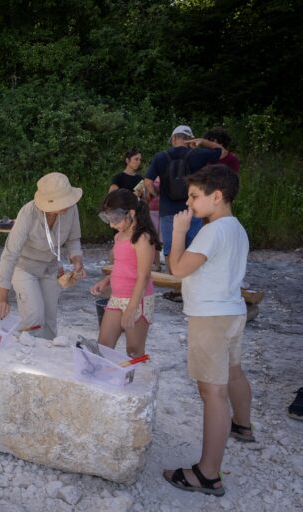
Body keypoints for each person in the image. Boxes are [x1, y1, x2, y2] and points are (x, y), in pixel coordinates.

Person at [162, 165, 253, 496]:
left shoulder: (211, 231)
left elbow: (177, 269)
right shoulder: (236, 228)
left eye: (194, 196)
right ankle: (242, 425)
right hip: (232, 311)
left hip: (210, 317)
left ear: (217, 196)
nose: (188, 203)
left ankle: (208, 474)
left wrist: (177, 232)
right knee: (233, 371)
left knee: (212, 393)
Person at [0, 173, 85, 340]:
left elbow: (73, 240)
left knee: (49, 320)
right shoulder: (28, 213)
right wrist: (2, 296)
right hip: (25, 267)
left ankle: (48, 353)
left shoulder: (72, 209)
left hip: (51, 268)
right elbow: (10, 253)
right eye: (62, 201)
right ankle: (24, 349)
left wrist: (77, 260)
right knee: (34, 317)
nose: (67, 204)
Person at [144, 126, 226, 302]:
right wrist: (203, 142)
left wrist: (158, 195)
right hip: (193, 208)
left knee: (170, 247)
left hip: (168, 209)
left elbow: (148, 182)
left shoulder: (161, 156)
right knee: (194, 246)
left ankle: (176, 288)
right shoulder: (198, 155)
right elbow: (222, 152)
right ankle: (192, 286)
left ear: (173, 139)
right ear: (189, 139)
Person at [90, 189, 161, 358]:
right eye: (108, 219)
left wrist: (131, 308)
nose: (111, 225)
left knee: (134, 351)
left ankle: (136, 375)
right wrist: (106, 281)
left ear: (131, 213)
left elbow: (143, 276)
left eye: (115, 219)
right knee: (103, 346)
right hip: (116, 298)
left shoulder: (142, 239)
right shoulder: (119, 236)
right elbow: (122, 267)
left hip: (138, 301)